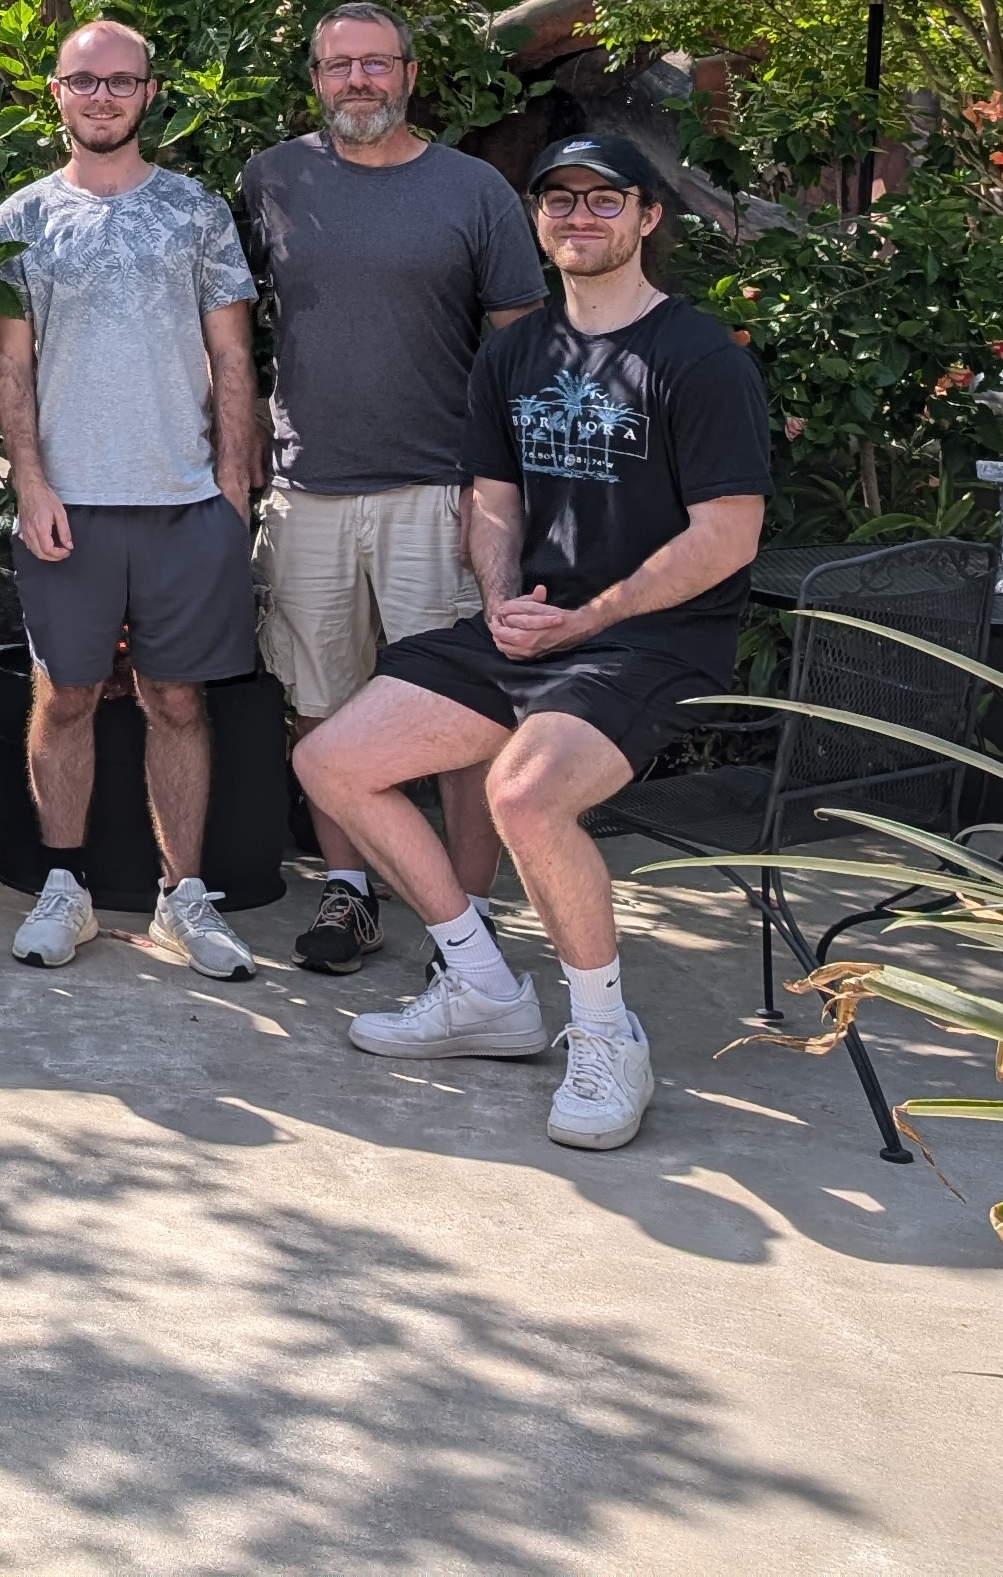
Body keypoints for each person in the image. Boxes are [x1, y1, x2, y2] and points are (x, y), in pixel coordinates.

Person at [298, 133, 770, 1155]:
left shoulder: (696, 357)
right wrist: (504, 599)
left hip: (652, 642)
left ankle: (606, 1033)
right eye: (559, 200)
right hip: (533, 628)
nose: (579, 217)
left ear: (649, 218)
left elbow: (729, 535)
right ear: (537, 219)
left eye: (606, 201)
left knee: (522, 793)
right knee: (332, 760)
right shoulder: (516, 350)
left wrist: (589, 619)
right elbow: (494, 499)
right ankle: (481, 989)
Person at [244, 0, 547, 974]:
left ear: (411, 75)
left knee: (459, 717)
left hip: (438, 495)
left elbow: (525, 350)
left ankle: (469, 916)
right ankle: (350, 892)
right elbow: (229, 325)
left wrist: (507, 489)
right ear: (316, 80)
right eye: (340, 66)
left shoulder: (475, 191)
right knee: (322, 705)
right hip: (308, 494)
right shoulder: (272, 180)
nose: (359, 81)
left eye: (378, 64)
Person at [0, 18, 263, 980]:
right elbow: (9, 367)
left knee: (178, 701)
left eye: (120, 81)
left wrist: (232, 489)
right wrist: (26, 481)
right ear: (56, 93)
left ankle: (182, 897)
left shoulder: (195, 211)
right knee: (63, 696)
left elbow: (233, 355)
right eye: (82, 81)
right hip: (67, 501)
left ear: (150, 92)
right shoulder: (17, 219)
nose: (101, 96)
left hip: (185, 500)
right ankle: (63, 888)